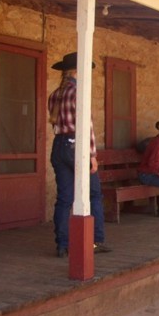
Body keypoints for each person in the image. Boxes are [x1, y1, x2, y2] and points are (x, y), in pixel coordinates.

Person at [48, 52, 112, 258]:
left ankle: (62, 244)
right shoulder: (78, 92)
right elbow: (87, 127)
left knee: (64, 198)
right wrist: (92, 154)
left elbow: (55, 123)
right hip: (77, 145)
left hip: (59, 145)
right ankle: (95, 240)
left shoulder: (55, 94)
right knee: (93, 194)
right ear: (76, 70)